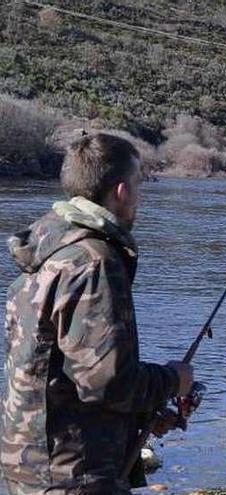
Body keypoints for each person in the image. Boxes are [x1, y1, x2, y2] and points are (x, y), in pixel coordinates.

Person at [1, 133, 195, 494]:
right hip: (72, 474)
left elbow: (57, 369)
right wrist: (173, 380)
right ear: (121, 190)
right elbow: (108, 384)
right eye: (138, 184)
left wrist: (141, 415)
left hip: (28, 464)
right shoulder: (93, 261)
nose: (139, 196)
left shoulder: (47, 251)